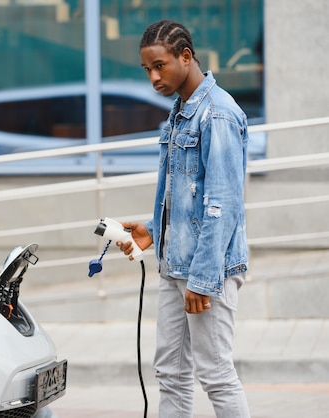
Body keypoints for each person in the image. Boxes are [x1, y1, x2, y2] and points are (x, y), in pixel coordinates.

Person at [117, 20, 251, 418]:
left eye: (159, 66)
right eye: (147, 70)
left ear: (186, 57)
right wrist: (153, 231)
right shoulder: (180, 112)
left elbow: (222, 204)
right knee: (171, 373)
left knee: (215, 373)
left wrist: (204, 279)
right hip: (175, 265)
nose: (153, 77)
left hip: (208, 272)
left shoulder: (218, 114)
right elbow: (186, 196)